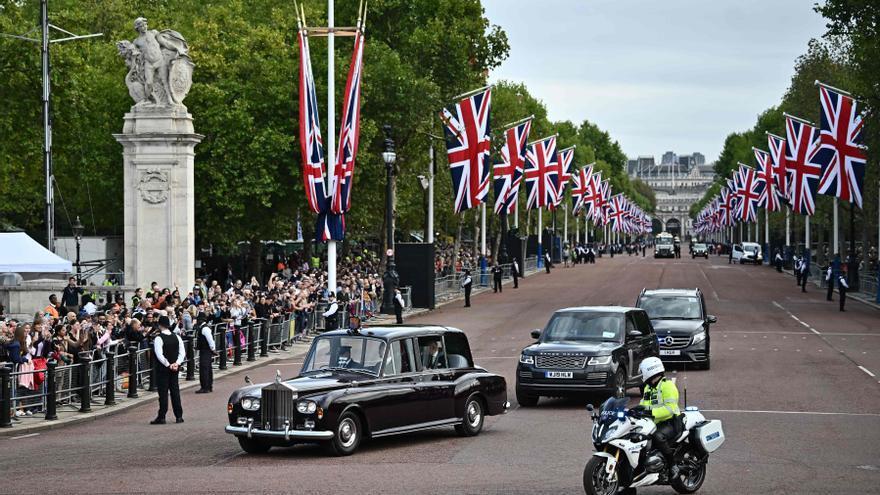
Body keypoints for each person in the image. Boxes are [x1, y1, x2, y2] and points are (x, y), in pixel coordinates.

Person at [631, 357, 681, 476]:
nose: (642, 375)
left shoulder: (667, 386)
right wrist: (635, 410)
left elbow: (670, 409)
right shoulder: (648, 388)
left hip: (671, 422)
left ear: (650, 371)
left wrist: (650, 412)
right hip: (653, 422)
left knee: (657, 436)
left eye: (642, 372)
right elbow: (644, 404)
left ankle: (673, 465)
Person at [151, 316, 185, 424]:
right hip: (175, 368)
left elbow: (159, 354)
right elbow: (182, 352)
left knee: (163, 393)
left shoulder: (159, 338)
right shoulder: (177, 337)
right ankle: (179, 416)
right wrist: (177, 363)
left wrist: (168, 364)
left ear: (160, 325)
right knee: (175, 392)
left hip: (163, 369)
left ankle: (162, 416)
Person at [195, 317, 216, 394]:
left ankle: (205, 387)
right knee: (207, 368)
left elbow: (210, 340)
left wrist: (213, 348)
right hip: (205, 350)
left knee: (204, 369)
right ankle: (208, 386)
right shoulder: (203, 328)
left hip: (205, 350)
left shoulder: (204, 329)